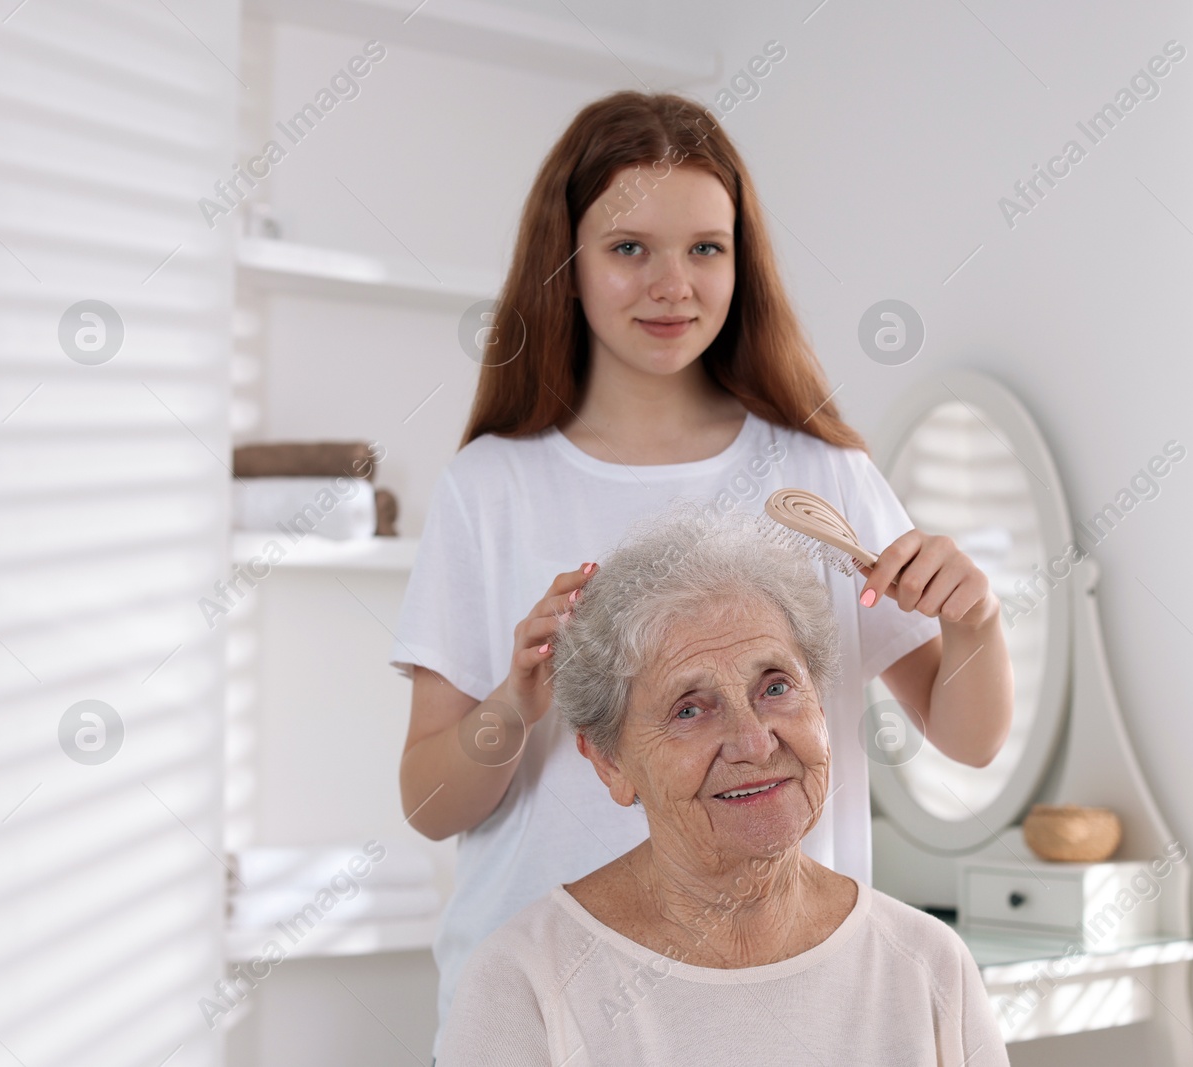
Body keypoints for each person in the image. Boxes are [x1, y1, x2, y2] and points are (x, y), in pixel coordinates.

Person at [389, 90, 1014, 1060]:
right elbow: (431, 802)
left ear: (742, 261)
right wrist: (514, 702)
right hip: (561, 1015)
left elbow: (968, 737)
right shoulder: (492, 487)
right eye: (629, 247)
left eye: (705, 249)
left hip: (800, 995)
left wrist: (973, 621)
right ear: (567, 262)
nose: (670, 284)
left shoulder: (822, 474)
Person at [436, 509, 1011, 1064]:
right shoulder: (526, 984)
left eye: (776, 687)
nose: (755, 743)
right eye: (690, 710)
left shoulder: (927, 964)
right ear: (610, 763)